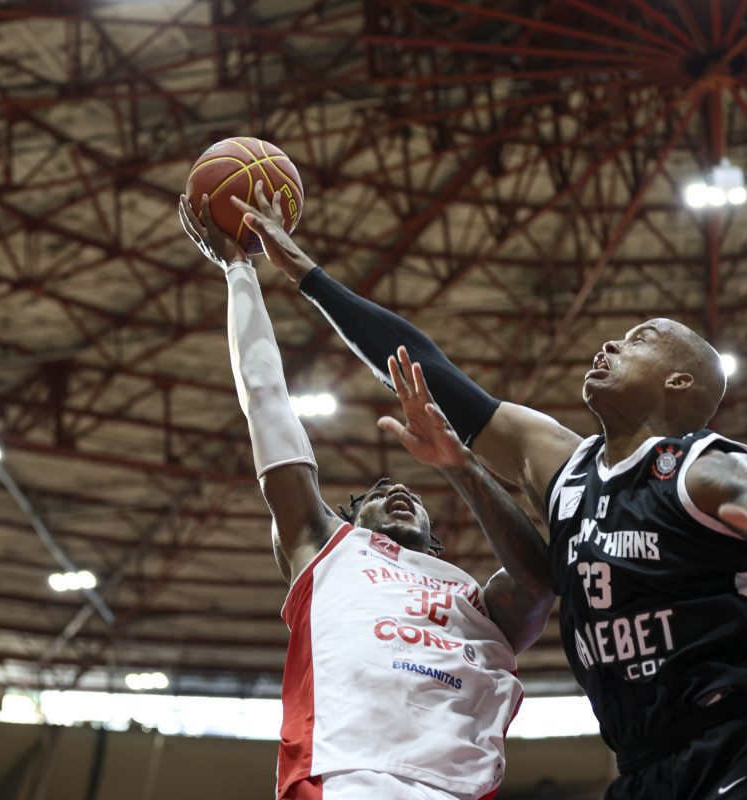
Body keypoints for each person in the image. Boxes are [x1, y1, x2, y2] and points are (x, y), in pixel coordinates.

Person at [231, 184, 747, 800]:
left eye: (640, 339)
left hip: (742, 743)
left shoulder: (703, 466)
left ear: (677, 382)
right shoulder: (561, 463)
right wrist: (307, 274)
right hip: (642, 766)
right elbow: (428, 369)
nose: (612, 343)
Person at [178, 192, 555, 800]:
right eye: (379, 492)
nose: (399, 490)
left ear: (437, 541)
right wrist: (239, 270)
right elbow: (266, 397)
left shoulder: (475, 599)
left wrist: (462, 466)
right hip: (346, 778)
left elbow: (540, 582)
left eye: (409, 492)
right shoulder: (325, 547)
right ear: (349, 519)